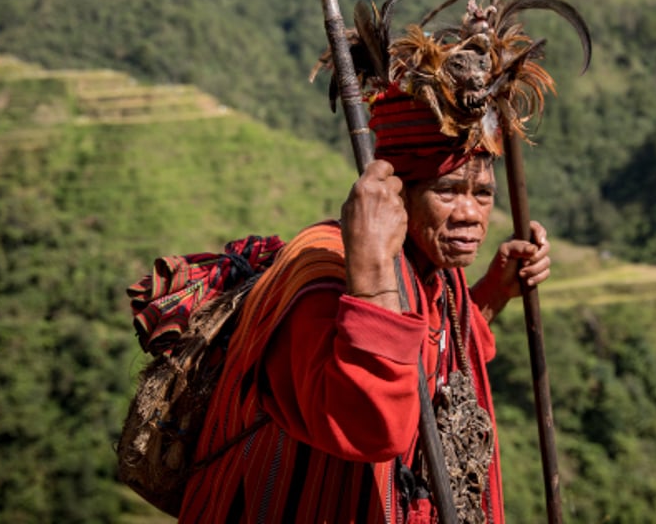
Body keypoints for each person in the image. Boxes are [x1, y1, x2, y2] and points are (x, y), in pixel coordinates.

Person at [178, 86, 552, 523]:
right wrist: (372, 266)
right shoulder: (327, 275)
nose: (471, 213)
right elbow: (373, 426)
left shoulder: (433, 269)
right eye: (447, 191)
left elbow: (435, 355)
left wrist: (492, 292)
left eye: (483, 194)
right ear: (398, 196)